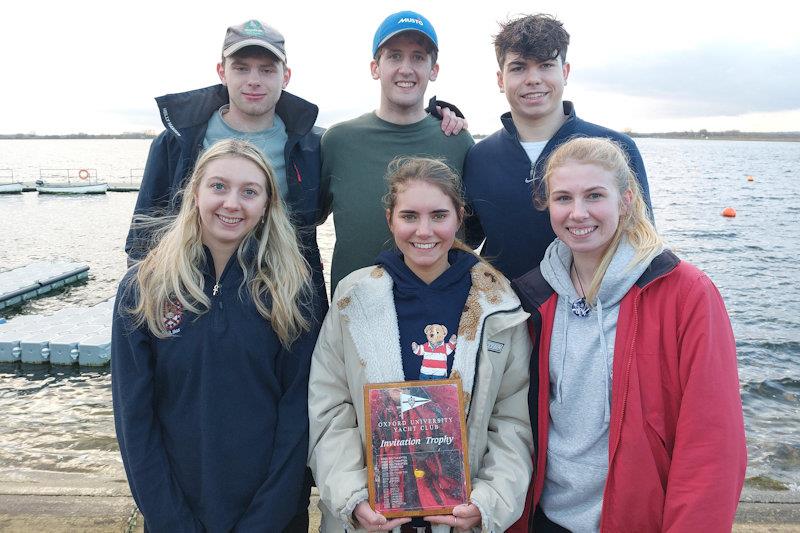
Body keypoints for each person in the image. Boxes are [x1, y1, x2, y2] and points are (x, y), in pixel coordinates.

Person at [510, 138, 746, 532]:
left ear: (627, 199)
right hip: (544, 519)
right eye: (563, 198)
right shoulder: (533, 297)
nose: (578, 213)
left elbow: (713, 444)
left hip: (638, 520)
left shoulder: (686, 294)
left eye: (595, 195)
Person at [308, 158, 533, 532]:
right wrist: (352, 495)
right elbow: (330, 408)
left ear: (459, 217)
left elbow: (511, 420)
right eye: (409, 215)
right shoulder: (354, 298)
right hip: (373, 518)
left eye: (439, 215)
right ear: (390, 219)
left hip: (460, 516)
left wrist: (488, 502)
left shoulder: (498, 303)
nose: (424, 230)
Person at [112, 139, 321, 532]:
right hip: (174, 511)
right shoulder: (144, 288)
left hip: (272, 514)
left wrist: (265, 520)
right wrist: (170, 518)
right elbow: (134, 417)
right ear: (195, 194)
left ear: (266, 205)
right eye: (218, 186)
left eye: (249, 191)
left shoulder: (295, 291)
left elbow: (299, 416)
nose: (232, 203)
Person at [124, 19, 327, 308]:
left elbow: (316, 219)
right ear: (222, 72)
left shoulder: (310, 147)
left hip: (281, 299)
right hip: (192, 296)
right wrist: (143, 308)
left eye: (267, 70)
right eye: (241, 67)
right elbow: (142, 239)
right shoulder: (177, 142)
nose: (254, 80)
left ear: (286, 76)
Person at [463, 14, 653, 282]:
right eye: (518, 68)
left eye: (545, 65)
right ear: (500, 79)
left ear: (564, 72)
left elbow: (643, 242)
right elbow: (464, 240)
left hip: (593, 313)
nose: (533, 79)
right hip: (506, 314)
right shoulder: (479, 157)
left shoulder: (617, 148)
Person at [320, 10, 475, 292]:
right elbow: (308, 219)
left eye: (418, 57)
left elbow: (472, 229)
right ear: (375, 67)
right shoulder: (338, 141)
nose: (406, 68)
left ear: (434, 70)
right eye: (394, 56)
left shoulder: (456, 140)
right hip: (354, 311)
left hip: (441, 319)